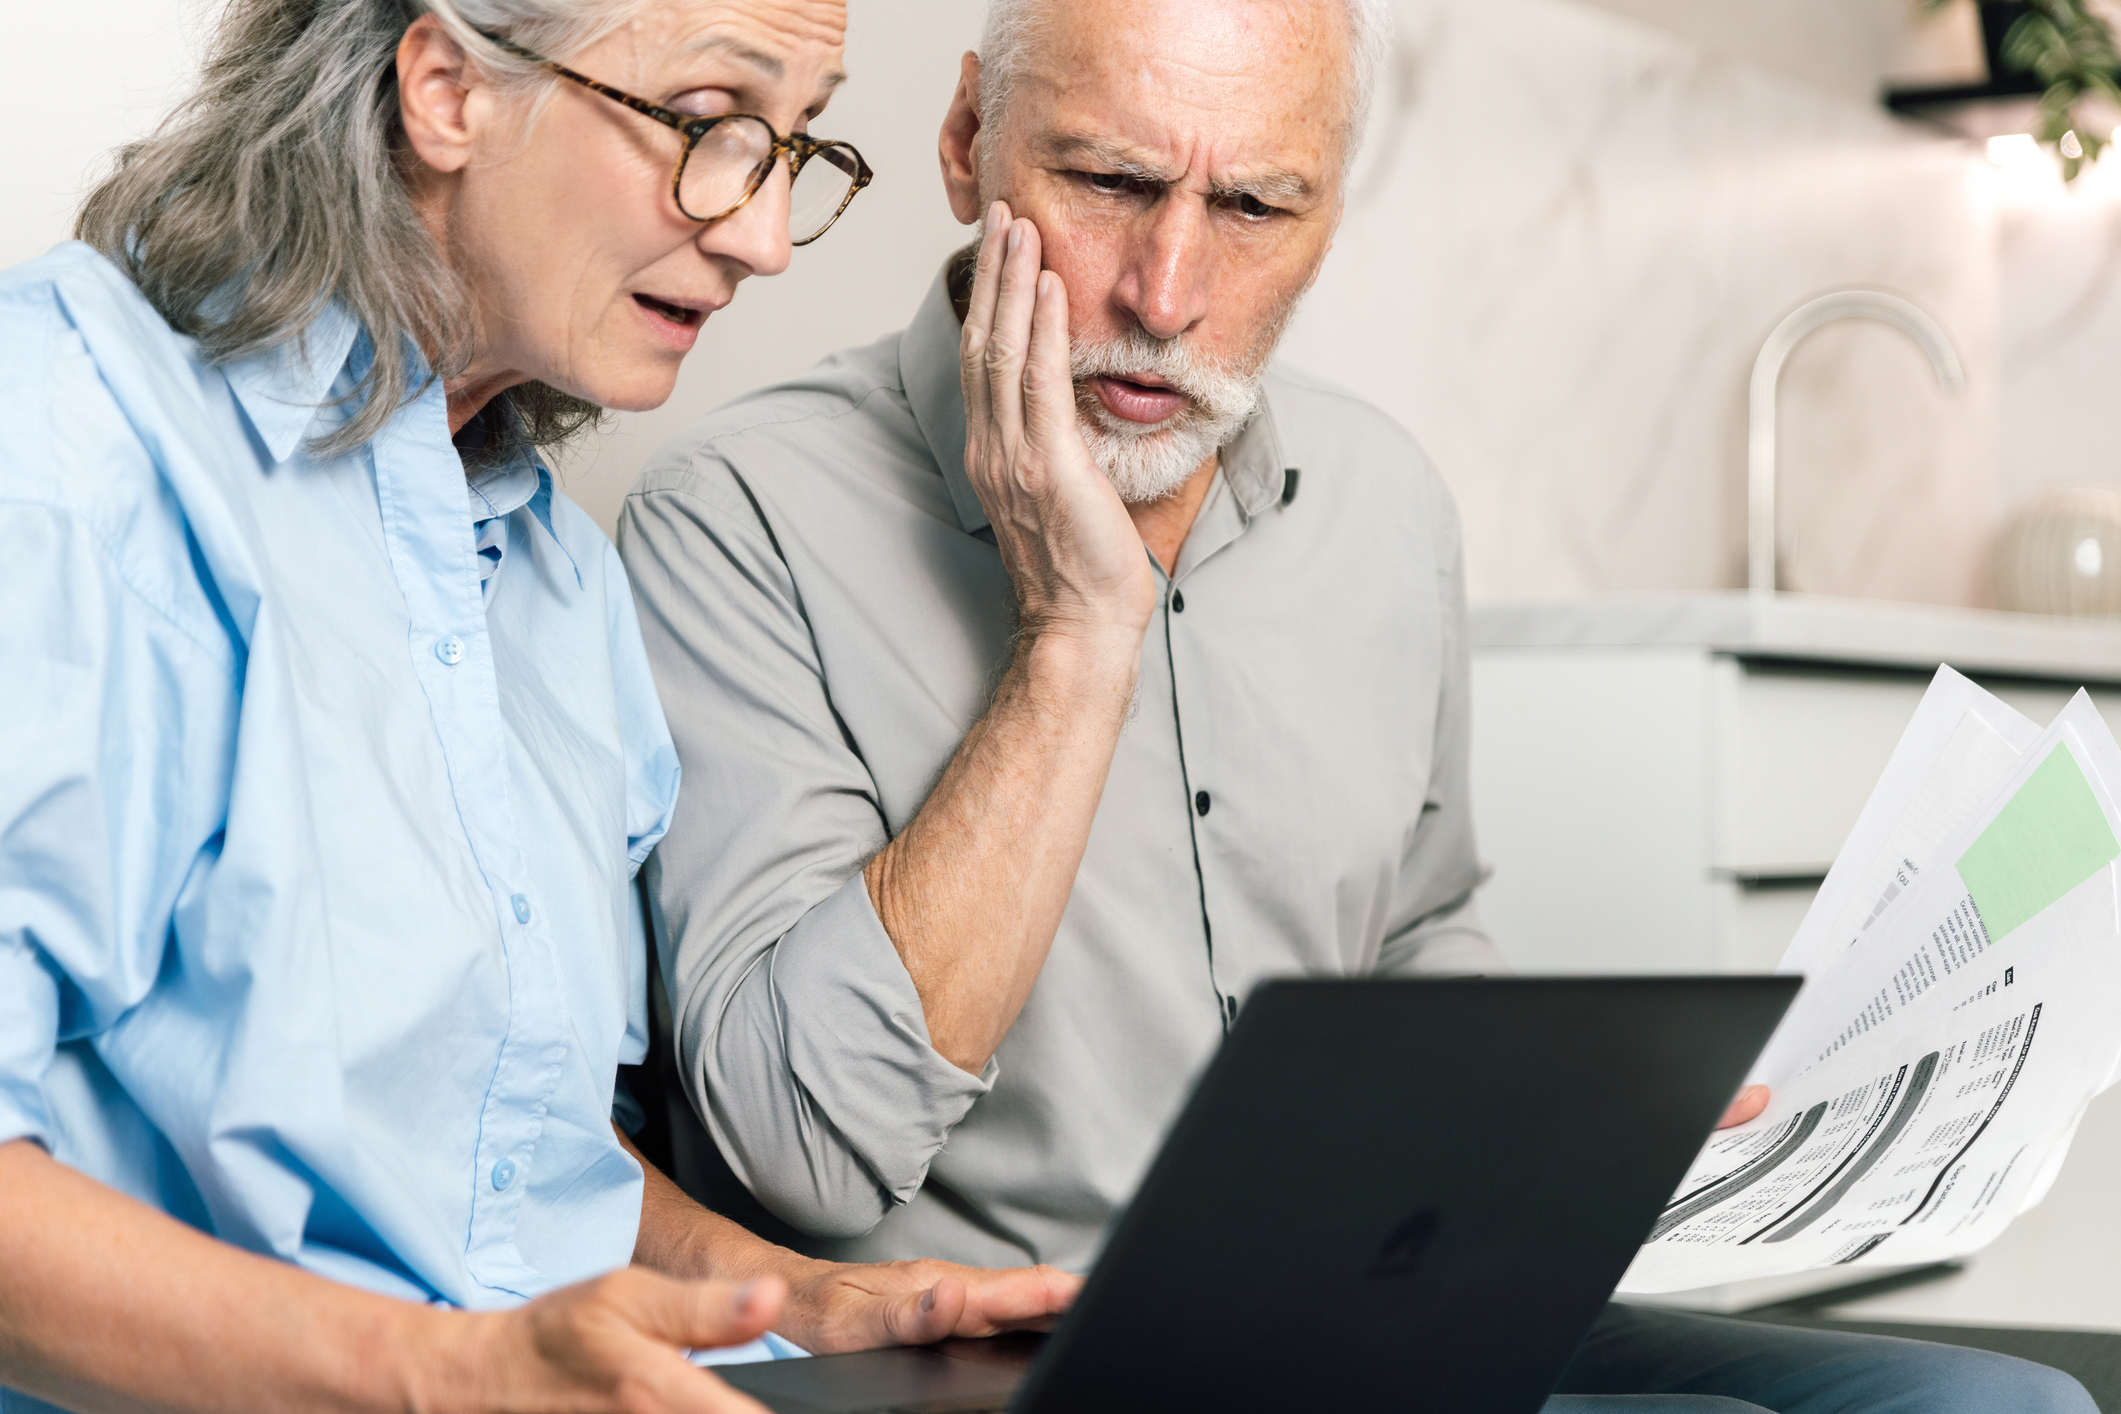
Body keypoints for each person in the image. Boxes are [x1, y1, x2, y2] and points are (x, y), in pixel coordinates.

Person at [617, 0, 2098, 1409]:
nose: (1165, 293)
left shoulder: (1383, 502)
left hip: (1399, 1299)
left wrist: (1575, 1116)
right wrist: (1074, 638)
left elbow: (1409, 932)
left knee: (1996, 1396)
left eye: (1256, 207)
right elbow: (797, 1150)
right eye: (1108, 179)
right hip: (1017, 1353)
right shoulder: (734, 519)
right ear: (964, 143)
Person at [0, 2, 1079, 1411]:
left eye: (794, 146)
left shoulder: (555, 576)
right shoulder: (63, 444)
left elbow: (506, 1158)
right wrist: (446, 1375)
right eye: (709, 126)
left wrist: (800, 1297)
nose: (761, 237)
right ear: (445, 88)